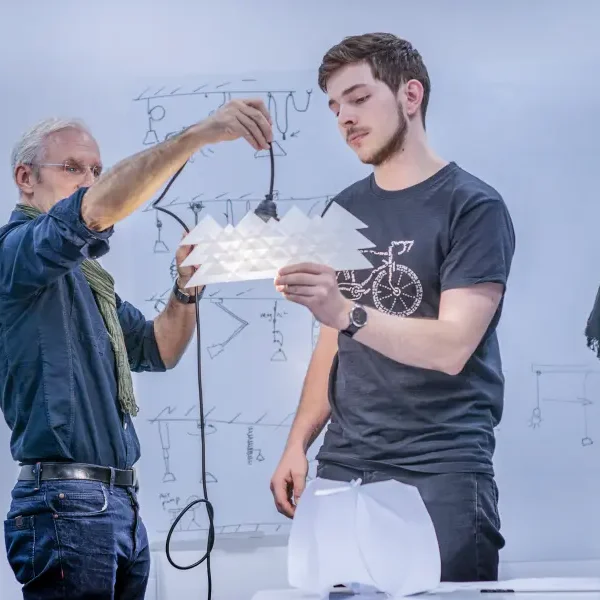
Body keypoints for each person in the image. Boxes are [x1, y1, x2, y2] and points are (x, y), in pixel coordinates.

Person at [1, 99, 272, 599]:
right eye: (72, 168)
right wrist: (199, 135)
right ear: (25, 177)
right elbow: (91, 212)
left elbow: (158, 348)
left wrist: (186, 287)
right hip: (66, 503)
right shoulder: (15, 252)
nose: (89, 180)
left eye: (96, 170)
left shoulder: (88, 281)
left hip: (117, 504)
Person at [271, 33, 515, 582]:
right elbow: (333, 345)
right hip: (345, 466)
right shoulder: (344, 209)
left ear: (410, 95)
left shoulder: (472, 207)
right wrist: (297, 443)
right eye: (335, 106)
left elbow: (452, 346)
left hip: (441, 470)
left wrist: (347, 312)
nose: (345, 117)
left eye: (359, 98)